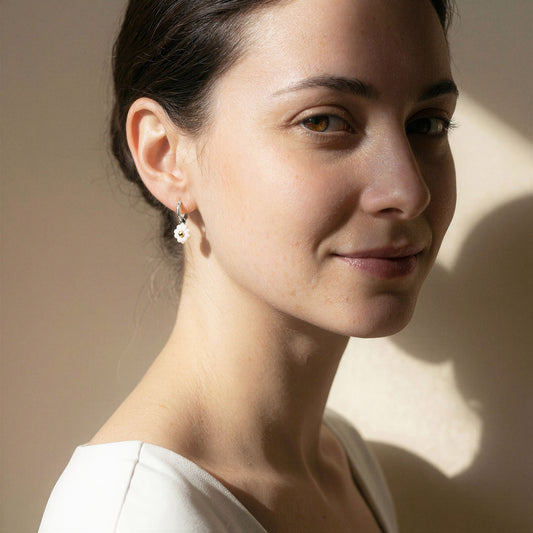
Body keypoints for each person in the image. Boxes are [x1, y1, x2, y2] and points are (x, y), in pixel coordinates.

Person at [39, 0, 458, 531]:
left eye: (428, 124)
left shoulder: (342, 458)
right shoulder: (133, 518)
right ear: (165, 155)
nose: (410, 191)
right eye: (324, 121)